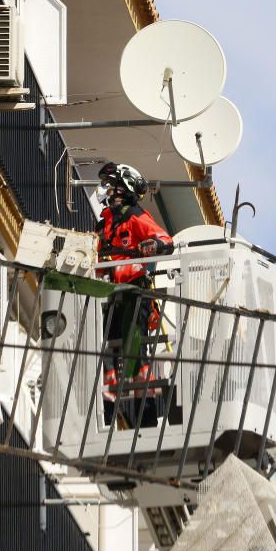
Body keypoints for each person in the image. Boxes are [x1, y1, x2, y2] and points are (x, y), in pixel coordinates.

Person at [94, 162, 173, 428]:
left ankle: (146, 419)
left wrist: (153, 245)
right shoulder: (104, 223)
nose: (108, 191)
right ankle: (107, 409)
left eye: (112, 186)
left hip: (133, 294)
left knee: (135, 357)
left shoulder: (135, 216)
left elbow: (164, 239)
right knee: (105, 348)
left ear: (125, 189)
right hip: (108, 294)